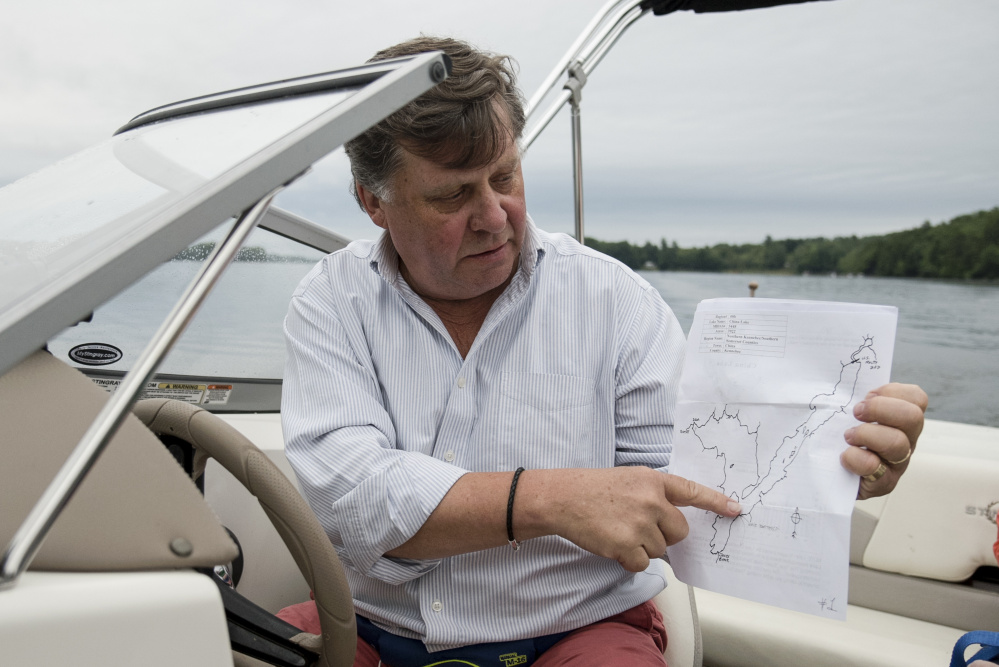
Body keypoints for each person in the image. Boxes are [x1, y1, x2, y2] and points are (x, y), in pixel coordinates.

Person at [280, 36, 928, 667]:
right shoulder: (330, 301)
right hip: (365, 627)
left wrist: (833, 467)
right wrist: (548, 499)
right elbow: (352, 499)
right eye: (452, 195)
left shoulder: (616, 300)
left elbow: (691, 485)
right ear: (374, 201)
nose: (495, 215)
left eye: (504, 175)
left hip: (575, 633)